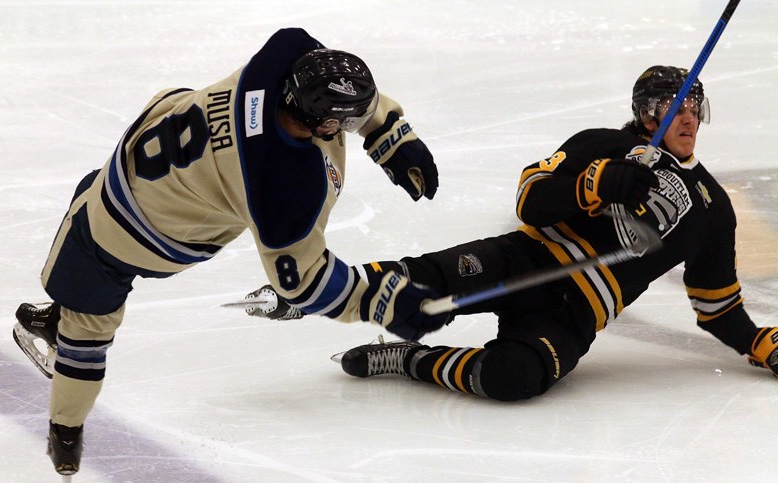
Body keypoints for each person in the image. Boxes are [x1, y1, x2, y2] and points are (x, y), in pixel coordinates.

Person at [12, 27, 448, 480]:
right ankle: (64, 406)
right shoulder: (283, 186)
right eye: (349, 124)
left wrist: (388, 132)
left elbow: (331, 78)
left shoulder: (284, 53)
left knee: (90, 196)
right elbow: (302, 282)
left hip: (144, 149)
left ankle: (61, 335)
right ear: (327, 124)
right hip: (134, 235)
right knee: (88, 324)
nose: (354, 127)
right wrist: (384, 300)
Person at [247, 65, 778, 401]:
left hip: (575, 314)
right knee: (417, 285)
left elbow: (716, 304)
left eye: (692, 106)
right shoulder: (603, 144)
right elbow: (529, 198)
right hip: (526, 258)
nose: (685, 117)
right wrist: (595, 183)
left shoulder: (714, 209)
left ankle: (411, 359)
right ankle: (308, 295)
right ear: (645, 112)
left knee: (514, 380)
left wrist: (756, 341)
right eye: (671, 106)